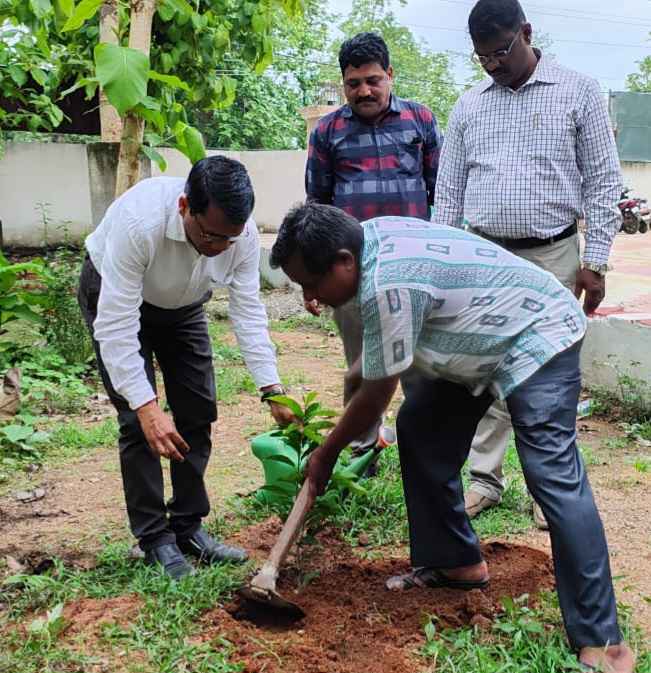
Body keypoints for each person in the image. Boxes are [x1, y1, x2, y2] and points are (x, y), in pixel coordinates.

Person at [269, 203, 635, 673]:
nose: (311, 297)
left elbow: (377, 393)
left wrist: (326, 453)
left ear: (343, 261)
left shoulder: (388, 284)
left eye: (311, 283)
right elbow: (374, 365)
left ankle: (605, 644)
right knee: (421, 427)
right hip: (479, 341)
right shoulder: (367, 243)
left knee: (552, 475)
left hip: (538, 332)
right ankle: (455, 562)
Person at [434, 0, 623, 526]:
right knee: (484, 365)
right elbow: (448, 191)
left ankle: (548, 486)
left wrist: (596, 260)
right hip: (484, 255)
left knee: (547, 372)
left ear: (527, 33)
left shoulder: (578, 91)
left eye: (500, 51)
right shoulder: (469, 105)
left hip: (552, 254)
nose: (492, 64)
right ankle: (485, 479)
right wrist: (445, 261)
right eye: (482, 57)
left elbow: (603, 180)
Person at [78, 156, 293, 580]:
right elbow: (117, 325)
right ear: (184, 207)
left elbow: (248, 311)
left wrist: (272, 387)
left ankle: (187, 526)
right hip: (116, 295)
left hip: (184, 306)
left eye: (229, 239)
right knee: (139, 423)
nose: (219, 248)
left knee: (197, 409)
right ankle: (154, 538)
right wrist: (146, 406)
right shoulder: (140, 223)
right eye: (210, 235)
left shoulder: (239, 236)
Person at [305, 31, 442, 454]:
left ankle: (426, 453)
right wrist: (313, 276)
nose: (364, 91)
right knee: (362, 368)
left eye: (373, 80)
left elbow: (442, 191)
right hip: (354, 270)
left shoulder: (420, 120)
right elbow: (317, 206)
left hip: (414, 266)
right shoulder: (327, 131)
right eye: (354, 83)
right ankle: (362, 453)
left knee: (421, 367)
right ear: (343, 83)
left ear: (390, 75)